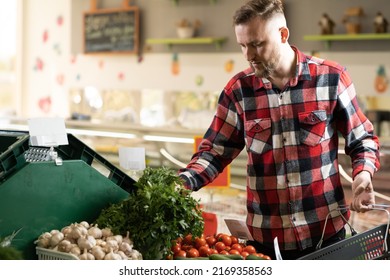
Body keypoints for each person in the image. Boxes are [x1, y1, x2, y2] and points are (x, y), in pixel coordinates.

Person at [178, 0, 380, 260]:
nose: (249, 54)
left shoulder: (331, 78)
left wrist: (362, 176)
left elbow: (362, 139)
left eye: (257, 44)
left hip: (327, 234)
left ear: (283, 35)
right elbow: (215, 152)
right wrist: (182, 183)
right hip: (265, 242)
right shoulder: (238, 91)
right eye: (242, 45)